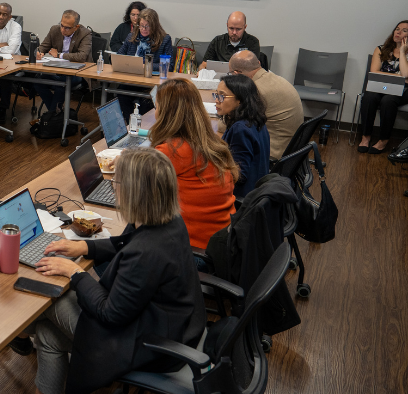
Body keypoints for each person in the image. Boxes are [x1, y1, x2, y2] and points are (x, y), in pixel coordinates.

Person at [22, 147, 206, 394]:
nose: (113, 187)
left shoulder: (145, 252)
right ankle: (23, 335)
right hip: (174, 325)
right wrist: (82, 247)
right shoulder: (168, 221)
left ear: (133, 192)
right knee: (47, 334)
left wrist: (74, 273)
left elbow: (109, 313)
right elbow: (125, 241)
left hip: (151, 345)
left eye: (116, 182)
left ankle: (18, 333)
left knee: (54, 298)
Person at [150, 78, 238, 251]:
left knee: (106, 254)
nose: (155, 112)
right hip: (220, 244)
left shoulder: (172, 151)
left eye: (157, 106)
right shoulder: (210, 142)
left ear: (166, 113)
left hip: (193, 251)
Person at [229, 50, 303, 160]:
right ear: (258, 63)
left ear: (237, 74)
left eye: (230, 74)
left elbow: (229, 124)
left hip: (274, 154)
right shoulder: (277, 78)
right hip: (291, 150)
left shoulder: (255, 90)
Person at [357, 20, 408, 154]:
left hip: (403, 90)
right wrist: (400, 77)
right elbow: (374, 72)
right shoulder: (380, 49)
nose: (398, 32)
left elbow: (406, 74)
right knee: (369, 97)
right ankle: (365, 137)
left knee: (388, 101)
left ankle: (383, 140)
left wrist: (402, 52)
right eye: (397, 29)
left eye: (404, 30)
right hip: (380, 86)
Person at [216, 75, 270, 198]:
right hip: (256, 191)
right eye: (216, 94)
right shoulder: (254, 120)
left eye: (222, 96)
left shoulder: (240, 129)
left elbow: (239, 175)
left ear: (239, 100)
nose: (217, 100)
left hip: (241, 197)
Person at [117, 7, 173, 121]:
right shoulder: (132, 36)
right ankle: (128, 124)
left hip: (150, 84)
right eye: (141, 25)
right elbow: (119, 55)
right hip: (131, 79)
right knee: (121, 95)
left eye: (147, 26)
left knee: (146, 103)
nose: (143, 29)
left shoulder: (165, 39)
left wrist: (145, 66)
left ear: (155, 26)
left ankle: (143, 127)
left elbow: (168, 66)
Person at [33, 9, 92, 114]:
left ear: (76, 27)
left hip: (79, 72)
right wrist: (38, 52)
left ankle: (52, 115)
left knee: (62, 83)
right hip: (58, 69)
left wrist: (60, 55)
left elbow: (82, 56)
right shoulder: (54, 30)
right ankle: (56, 114)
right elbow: (43, 47)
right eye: (61, 25)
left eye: (67, 28)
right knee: (37, 81)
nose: (63, 30)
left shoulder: (85, 34)